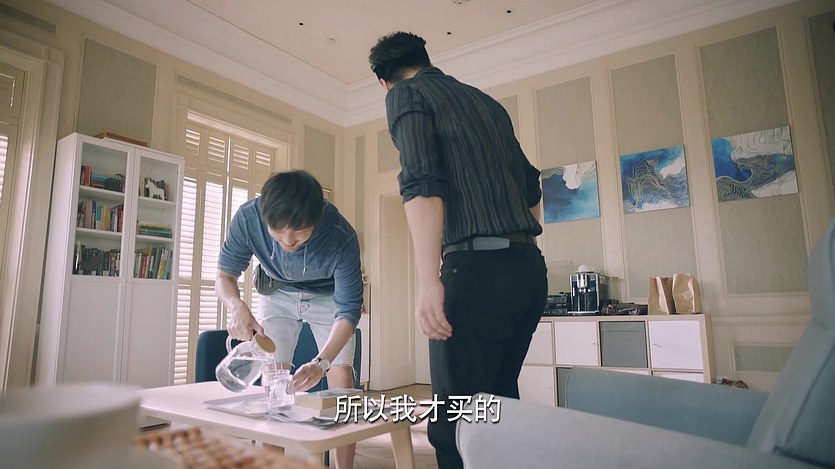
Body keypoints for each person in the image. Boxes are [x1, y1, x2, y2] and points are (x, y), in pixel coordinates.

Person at [369, 31, 548, 469]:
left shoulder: (406, 94)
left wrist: (428, 281)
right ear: (425, 58)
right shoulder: (487, 104)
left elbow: (422, 184)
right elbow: (531, 188)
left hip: (474, 272)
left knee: (455, 422)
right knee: (497, 403)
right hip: (528, 269)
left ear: (384, 82)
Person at [215, 170, 362, 469]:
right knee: (274, 379)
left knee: (341, 379)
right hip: (277, 292)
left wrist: (322, 363)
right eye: (277, 231)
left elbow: (348, 310)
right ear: (264, 216)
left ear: (316, 218)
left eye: (299, 232)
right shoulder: (248, 218)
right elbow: (225, 276)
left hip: (328, 298)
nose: (287, 240)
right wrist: (236, 305)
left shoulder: (341, 234)